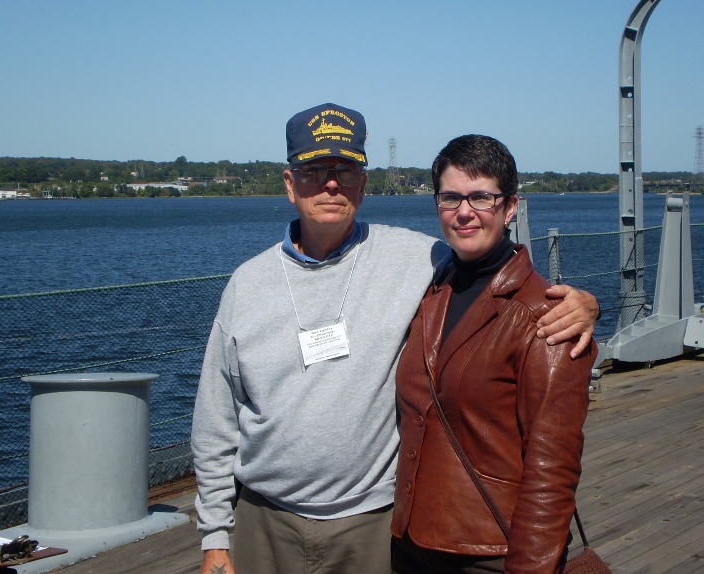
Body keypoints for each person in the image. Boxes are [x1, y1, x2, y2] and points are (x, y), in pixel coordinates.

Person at [191, 104, 598, 574]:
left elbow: (496, 267)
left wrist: (584, 303)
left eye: (344, 170)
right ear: (288, 183)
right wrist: (215, 538)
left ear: (363, 185)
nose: (330, 183)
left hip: (375, 526)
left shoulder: (417, 258)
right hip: (265, 521)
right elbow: (215, 421)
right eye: (313, 170)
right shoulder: (247, 284)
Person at [391, 135, 595, 574]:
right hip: (411, 544)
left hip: (490, 552)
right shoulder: (430, 290)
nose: (465, 212)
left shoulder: (545, 318)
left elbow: (552, 469)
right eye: (451, 198)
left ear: (510, 206)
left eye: (481, 196)